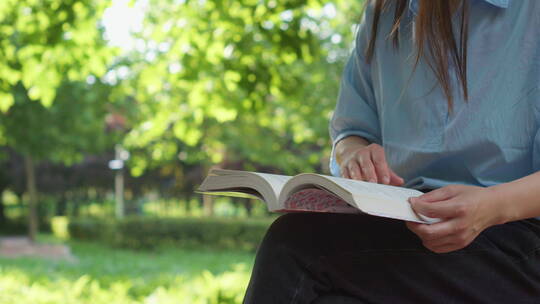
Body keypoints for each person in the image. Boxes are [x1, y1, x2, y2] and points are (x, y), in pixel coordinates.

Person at [243, 0, 540, 303]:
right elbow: (351, 132)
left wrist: (493, 207)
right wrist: (355, 155)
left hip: (517, 230)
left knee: (293, 246)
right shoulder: (383, 13)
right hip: (407, 223)